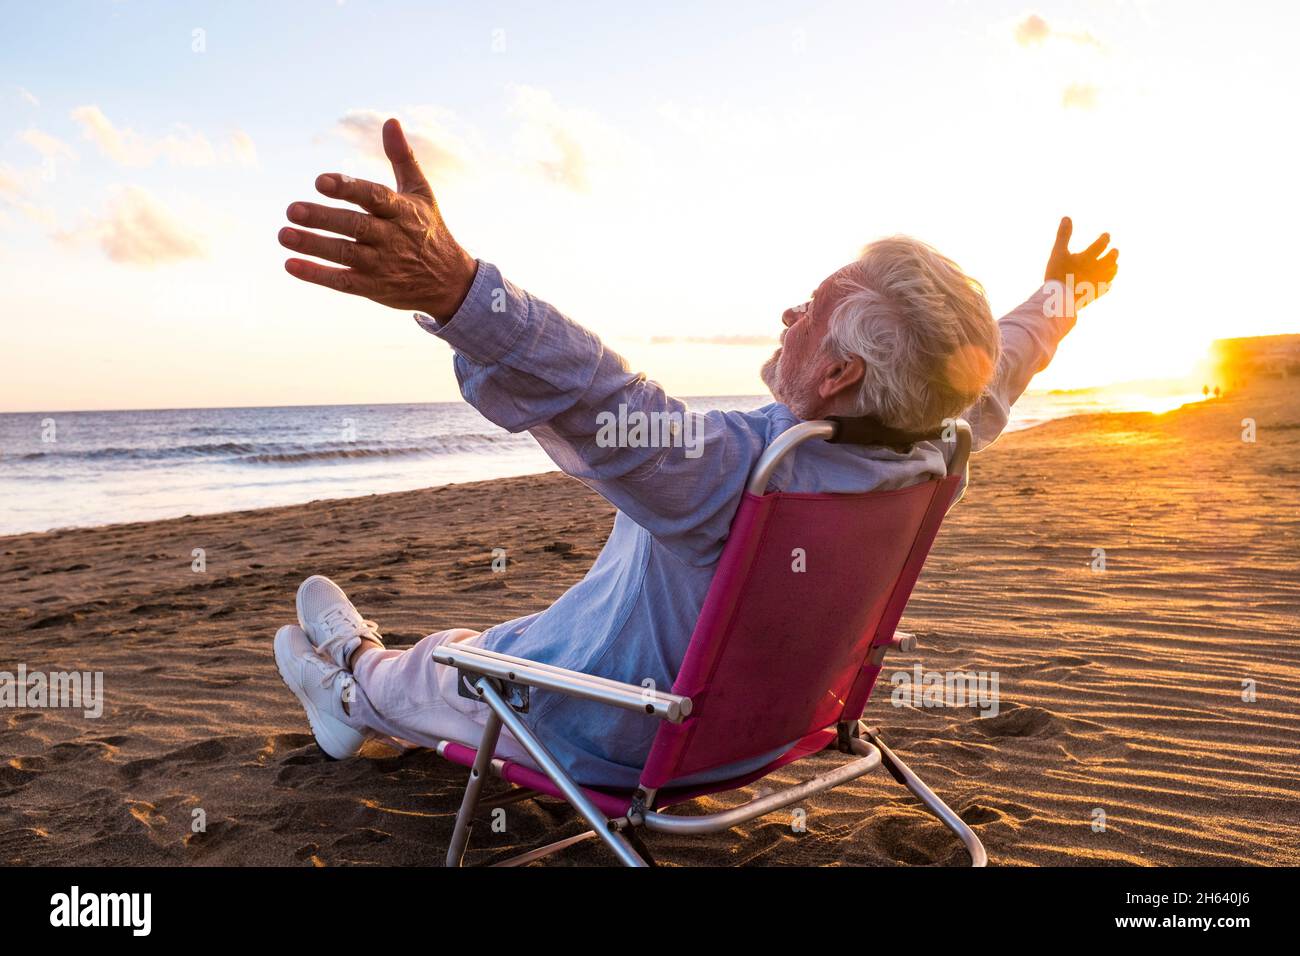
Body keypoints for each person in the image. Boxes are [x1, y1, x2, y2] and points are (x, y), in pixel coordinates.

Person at [272, 118, 1119, 788]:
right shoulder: (940, 442)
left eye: (813, 307)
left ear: (836, 372)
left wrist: (457, 289)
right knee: (493, 641)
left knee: (451, 669)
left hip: (607, 730)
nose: (790, 311)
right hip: (775, 728)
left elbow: (600, 395)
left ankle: (348, 684)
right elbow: (1006, 358)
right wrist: (1061, 295)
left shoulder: (748, 476)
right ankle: (369, 680)